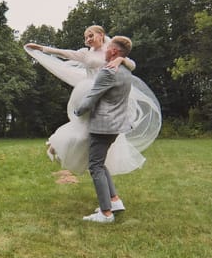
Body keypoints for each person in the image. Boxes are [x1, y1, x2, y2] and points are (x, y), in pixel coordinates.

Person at [24, 25, 160, 213]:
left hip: (102, 97)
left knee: (89, 146)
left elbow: (132, 64)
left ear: (101, 36)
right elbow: (64, 53)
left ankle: (57, 144)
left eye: (90, 35)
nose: (87, 39)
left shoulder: (111, 51)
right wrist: (40, 48)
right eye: (85, 37)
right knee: (87, 139)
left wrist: (121, 58)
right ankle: (114, 199)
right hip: (89, 93)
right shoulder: (85, 54)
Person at [74, 36, 135, 223]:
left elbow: (92, 98)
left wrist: (77, 110)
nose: (106, 50)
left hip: (103, 125)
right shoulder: (126, 70)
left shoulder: (108, 71)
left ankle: (105, 213)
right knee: (100, 163)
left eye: (108, 48)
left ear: (114, 52)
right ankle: (114, 200)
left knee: (95, 166)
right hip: (116, 124)